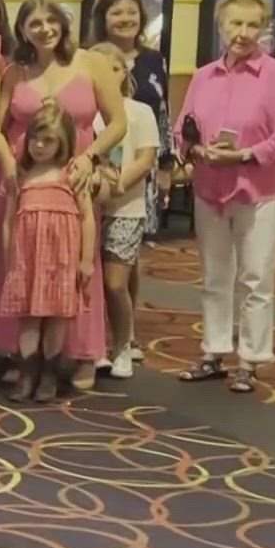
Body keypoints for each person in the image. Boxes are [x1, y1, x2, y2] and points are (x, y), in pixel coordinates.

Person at [0, 0, 125, 390]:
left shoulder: (91, 63)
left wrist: (90, 158)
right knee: (22, 265)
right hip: (23, 180)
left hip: (72, 180)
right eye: (34, 23)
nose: (44, 30)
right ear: (22, 29)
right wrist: (7, 164)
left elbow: (118, 122)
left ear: (64, 23)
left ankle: (82, 353)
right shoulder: (15, 71)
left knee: (74, 266)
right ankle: (22, 354)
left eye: (51, 21)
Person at [175, 0, 275, 394]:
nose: (242, 32)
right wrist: (194, 149)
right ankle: (213, 350)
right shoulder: (202, 76)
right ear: (220, 25)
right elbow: (182, 128)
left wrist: (243, 156)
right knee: (214, 275)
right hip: (210, 187)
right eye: (235, 22)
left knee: (256, 278)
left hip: (258, 191)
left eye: (251, 24)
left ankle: (251, 359)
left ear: (263, 27)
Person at [87, 0, 175, 371]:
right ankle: (93, 341)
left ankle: (125, 338)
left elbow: (160, 121)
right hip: (89, 196)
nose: (124, 18)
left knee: (119, 273)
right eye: (115, 12)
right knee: (90, 273)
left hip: (131, 190)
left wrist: (156, 170)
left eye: (130, 11)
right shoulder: (86, 79)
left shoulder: (153, 62)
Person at [0, 103, 96, 402]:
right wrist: (9, 258)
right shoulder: (21, 174)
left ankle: (50, 374)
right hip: (28, 258)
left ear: (63, 141)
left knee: (56, 316)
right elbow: (9, 219)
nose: (39, 146)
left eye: (49, 140)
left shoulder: (71, 173)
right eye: (35, 139)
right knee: (29, 316)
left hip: (61, 258)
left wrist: (85, 260)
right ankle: (28, 372)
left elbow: (87, 218)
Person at [87, 44, 160, 380]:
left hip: (126, 207)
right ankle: (94, 345)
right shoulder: (85, 112)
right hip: (88, 208)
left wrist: (116, 185)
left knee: (115, 283)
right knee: (87, 280)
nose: (106, 75)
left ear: (124, 72)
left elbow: (145, 158)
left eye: (113, 68)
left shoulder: (139, 111)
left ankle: (123, 344)